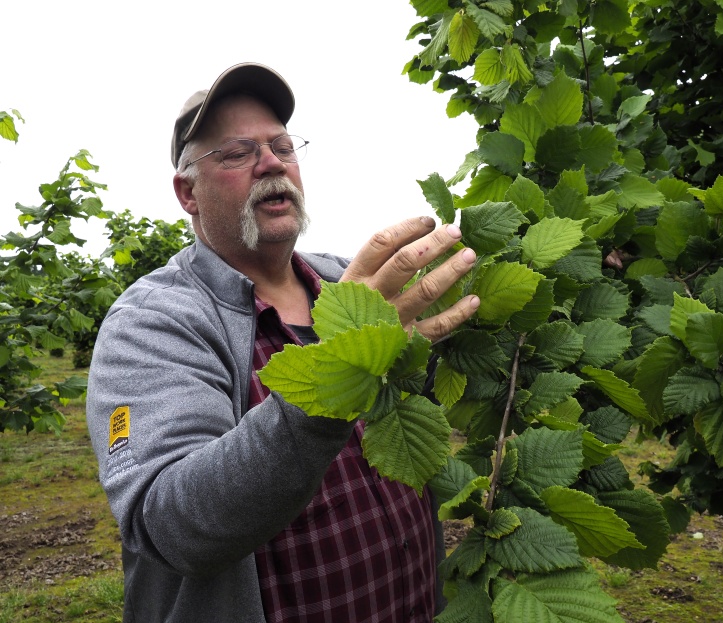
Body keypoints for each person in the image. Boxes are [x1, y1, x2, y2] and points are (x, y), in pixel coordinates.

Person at [86, 62, 480, 623]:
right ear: (187, 193)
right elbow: (171, 524)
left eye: (282, 146)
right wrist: (336, 374)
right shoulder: (153, 322)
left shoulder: (347, 281)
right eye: (236, 153)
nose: (271, 163)